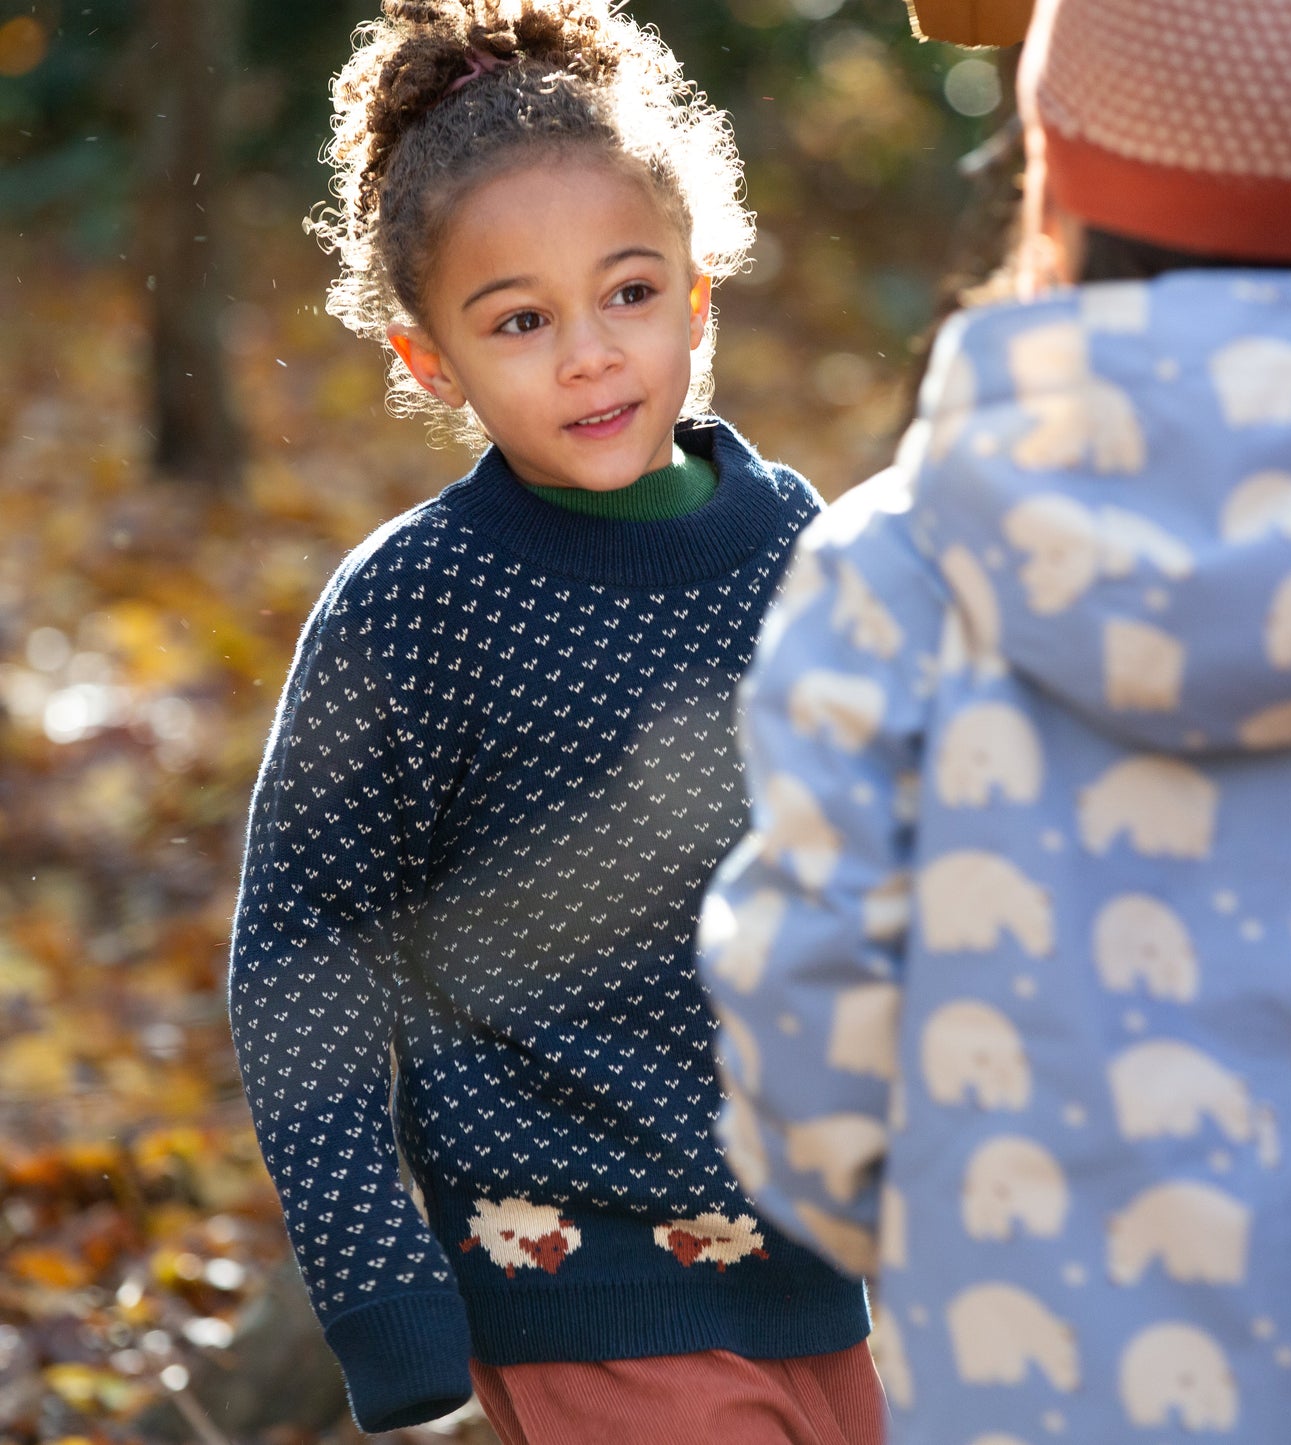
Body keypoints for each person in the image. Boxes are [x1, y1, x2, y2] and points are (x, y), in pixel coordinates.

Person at [697, 2, 1291, 1441]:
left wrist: (936, 1223)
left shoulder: (899, 568)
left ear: (1051, 179)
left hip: (1016, 1381)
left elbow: (807, 995)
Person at [227, 3, 884, 1440]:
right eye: (521, 321)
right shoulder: (418, 604)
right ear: (429, 361)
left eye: (629, 292)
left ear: (698, 296)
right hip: (579, 1282)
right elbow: (301, 947)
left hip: (818, 1268)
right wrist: (377, 1283)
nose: (589, 354)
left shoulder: (804, 545)